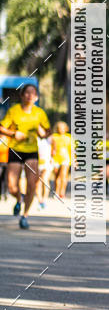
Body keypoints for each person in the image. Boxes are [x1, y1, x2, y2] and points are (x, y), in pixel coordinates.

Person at [0, 83, 51, 229]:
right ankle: (19, 198)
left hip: (32, 152)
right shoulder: (14, 110)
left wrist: (43, 133)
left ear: (36, 97)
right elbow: (1, 127)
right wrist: (13, 134)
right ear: (22, 96)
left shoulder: (40, 113)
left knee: (31, 184)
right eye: (27, 93)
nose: (30, 95)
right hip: (15, 150)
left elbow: (48, 131)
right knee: (11, 186)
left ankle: (25, 216)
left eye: (33, 93)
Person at [51, 121, 72, 200]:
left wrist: (75, 160)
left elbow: (72, 149)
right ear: (57, 129)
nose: (61, 129)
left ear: (66, 129)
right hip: (56, 159)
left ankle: (62, 193)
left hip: (66, 158)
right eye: (59, 128)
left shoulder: (69, 137)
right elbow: (51, 147)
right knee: (56, 176)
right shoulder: (54, 136)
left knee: (63, 175)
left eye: (63, 128)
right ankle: (56, 191)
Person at [37, 132, 53, 208]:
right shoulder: (35, 138)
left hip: (47, 162)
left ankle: (44, 199)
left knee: (45, 179)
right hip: (37, 162)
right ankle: (40, 200)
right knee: (38, 182)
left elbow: (55, 148)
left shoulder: (49, 139)